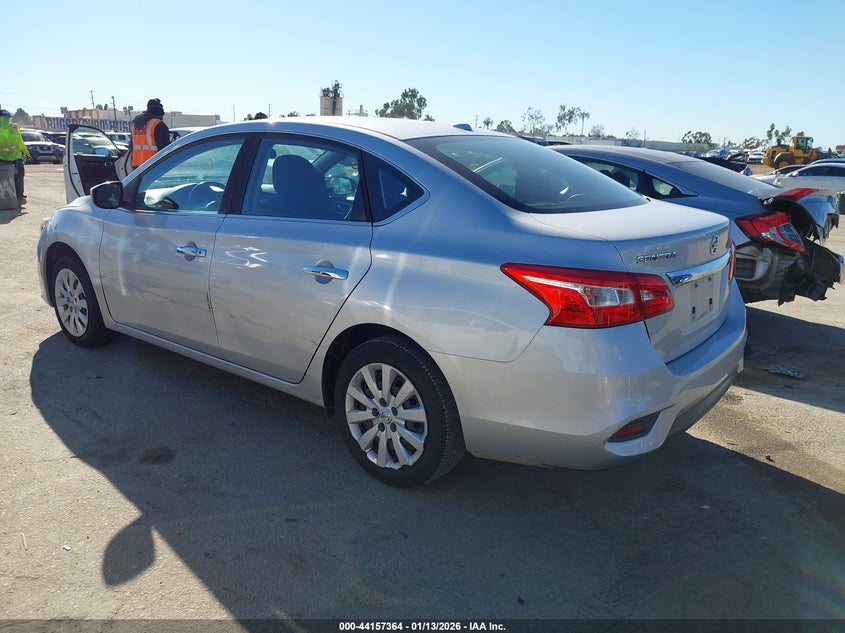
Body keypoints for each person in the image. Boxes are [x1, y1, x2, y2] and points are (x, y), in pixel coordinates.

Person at [0, 109, 30, 207]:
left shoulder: (14, 127)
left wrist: (26, 152)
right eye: (4, 118)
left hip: (16, 156)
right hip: (2, 157)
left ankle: (19, 196)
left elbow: (20, 141)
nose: (7, 119)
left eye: (8, 118)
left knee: (19, 175)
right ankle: (5, 197)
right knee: (4, 178)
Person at [131, 98, 170, 168]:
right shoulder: (158, 124)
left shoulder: (135, 124)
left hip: (137, 165)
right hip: (153, 165)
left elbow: (131, 146)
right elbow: (165, 148)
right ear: (160, 113)